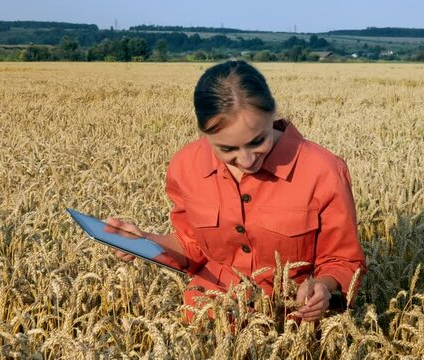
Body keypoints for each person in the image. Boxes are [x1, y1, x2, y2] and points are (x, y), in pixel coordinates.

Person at [106, 60, 366, 322]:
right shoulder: (185, 166)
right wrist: (145, 241)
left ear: (272, 113)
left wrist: (323, 286)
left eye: (258, 141)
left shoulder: (323, 170)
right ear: (204, 132)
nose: (246, 160)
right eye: (227, 149)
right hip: (211, 318)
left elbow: (342, 260)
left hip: (292, 321)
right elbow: (192, 245)